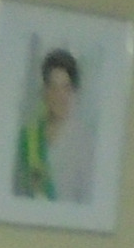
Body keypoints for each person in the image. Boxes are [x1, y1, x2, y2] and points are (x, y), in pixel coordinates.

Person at [14, 47, 92, 206]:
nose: (59, 96)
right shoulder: (28, 137)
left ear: (74, 92)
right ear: (44, 91)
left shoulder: (84, 143)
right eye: (53, 87)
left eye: (66, 88)